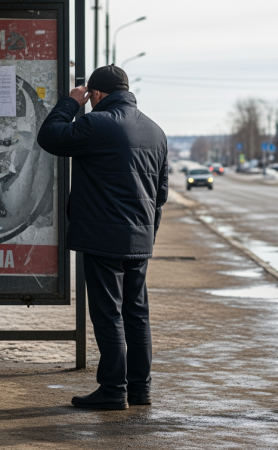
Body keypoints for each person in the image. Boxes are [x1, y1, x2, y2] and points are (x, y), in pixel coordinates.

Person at [37, 65, 168, 410]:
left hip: (102, 236)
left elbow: (49, 136)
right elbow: (161, 193)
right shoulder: (156, 131)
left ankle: (113, 389)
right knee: (136, 314)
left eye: (89, 96)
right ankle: (140, 389)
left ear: (96, 94)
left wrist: (70, 103)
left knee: (108, 314)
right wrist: (147, 233)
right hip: (139, 238)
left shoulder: (96, 123)